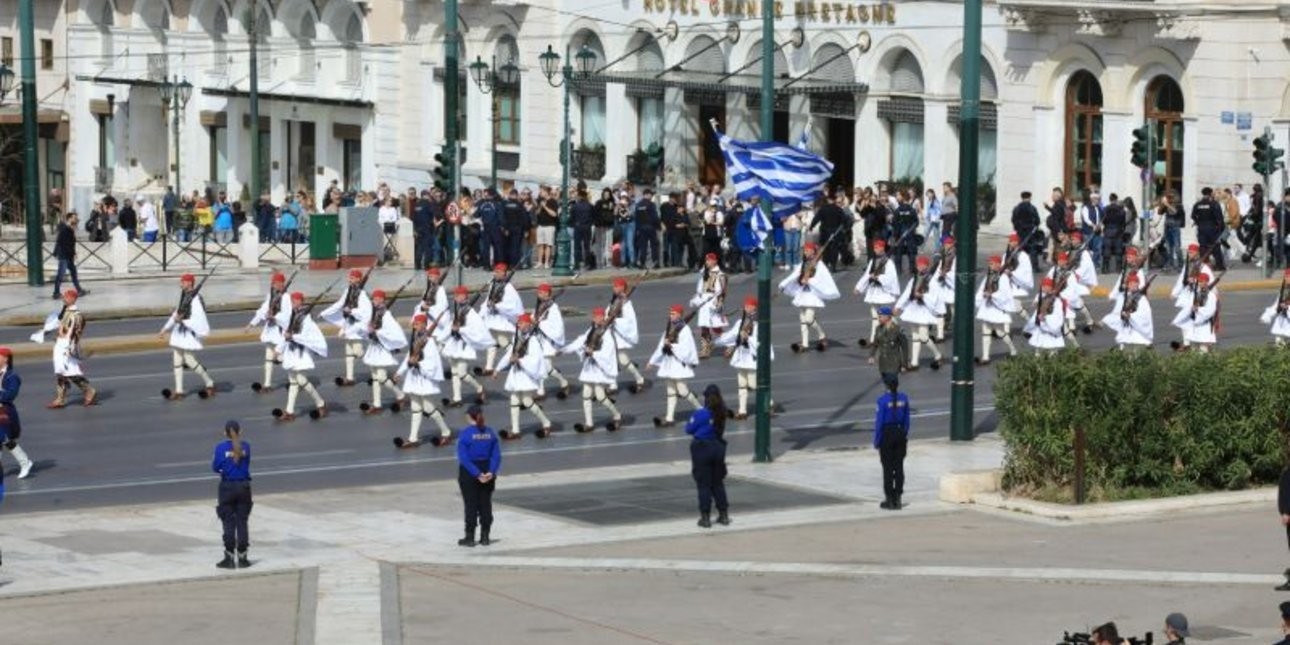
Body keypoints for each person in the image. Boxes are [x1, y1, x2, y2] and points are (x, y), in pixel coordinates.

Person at [393, 313, 454, 449]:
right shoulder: (415, 339)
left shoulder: (430, 342)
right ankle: (413, 438)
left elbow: (432, 362)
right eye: (414, 323)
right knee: (415, 408)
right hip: (414, 379)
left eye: (418, 323)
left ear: (424, 325)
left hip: (424, 378)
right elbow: (409, 357)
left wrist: (419, 364)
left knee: (428, 408)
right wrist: (399, 372)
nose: (415, 325)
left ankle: (446, 432)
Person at [561, 307, 623, 432]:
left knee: (600, 396)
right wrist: (564, 350)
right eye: (595, 316)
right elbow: (580, 341)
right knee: (586, 395)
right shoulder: (591, 330)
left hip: (599, 367)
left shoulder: (607, 334)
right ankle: (589, 423)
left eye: (599, 316)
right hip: (590, 367)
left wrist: (593, 353)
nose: (597, 318)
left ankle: (617, 415)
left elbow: (607, 353)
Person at [493, 313, 553, 440]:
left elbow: (535, 359)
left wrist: (519, 360)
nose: (519, 325)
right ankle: (515, 431)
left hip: (526, 374)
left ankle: (546, 422)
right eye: (519, 323)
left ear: (527, 324)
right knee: (514, 400)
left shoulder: (533, 340)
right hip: (517, 374)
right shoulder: (518, 338)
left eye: (521, 322)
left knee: (526, 401)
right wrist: (498, 368)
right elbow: (510, 354)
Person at [159, 273, 217, 400]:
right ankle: (179, 391)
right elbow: (177, 313)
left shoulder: (195, 299)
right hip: (179, 333)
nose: (181, 284)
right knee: (177, 361)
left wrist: (183, 321)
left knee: (190, 361)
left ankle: (209, 382)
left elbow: (198, 318)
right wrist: (165, 328)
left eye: (183, 282)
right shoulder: (184, 295)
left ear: (190, 283)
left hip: (188, 333)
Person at [272, 292, 330, 422]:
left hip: (300, 352)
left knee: (300, 380)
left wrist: (293, 337)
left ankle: (321, 403)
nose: (293, 303)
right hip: (291, 352)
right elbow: (286, 334)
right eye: (292, 301)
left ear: (301, 302)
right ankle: (290, 411)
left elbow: (305, 337)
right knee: (293, 381)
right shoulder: (292, 316)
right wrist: (278, 349)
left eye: (295, 301)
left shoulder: (306, 319)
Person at [779, 241, 841, 353]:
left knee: (809, 319)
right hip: (803, 293)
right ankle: (805, 344)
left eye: (808, 250)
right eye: (805, 250)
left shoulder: (819, 265)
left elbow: (822, 279)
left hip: (813, 294)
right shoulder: (803, 263)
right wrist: (784, 284)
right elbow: (794, 275)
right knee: (802, 320)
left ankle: (822, 335)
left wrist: (809, 280)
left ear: (813, 251)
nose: (806, 252)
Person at [435, 285, 492, 407]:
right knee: (455, 372)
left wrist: (460, 329)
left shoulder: (470, 313)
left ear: (465, 297)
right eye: (456, 296)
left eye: (460, 296)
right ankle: (457, 399)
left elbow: (476, 329)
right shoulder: (458, 311)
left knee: (461, 373)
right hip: (455, 345)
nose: (458, 298)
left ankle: (480, 388)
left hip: (465, 346)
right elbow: (451, 325)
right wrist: (441, 337)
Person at [648, 304, 702, 428]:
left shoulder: (685, 329)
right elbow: (661, 345)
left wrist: (671, 346)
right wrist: (652, 361)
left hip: (679, 364)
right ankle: (669, 418)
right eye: (670, 313)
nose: (671, 316)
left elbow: (686, 349)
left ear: (679, 314)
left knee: (683, 391)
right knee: (671, 391)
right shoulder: (669, 328)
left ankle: (701, 409)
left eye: (673, 314)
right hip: (669, 364)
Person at [456, 405, 500, 547]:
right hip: (487, 469)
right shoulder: (490, 432)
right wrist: (490, 472)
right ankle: (485, 536)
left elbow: (464, 458)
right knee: (485, 504)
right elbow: (496, 455)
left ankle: (469, 537)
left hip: (470, 472)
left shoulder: (466, 434)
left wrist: (476, 474)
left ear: (469, 416)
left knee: (471, 505)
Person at [320, 269, 373, 387]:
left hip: (357, 326)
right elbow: (339, 304)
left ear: (359, 280)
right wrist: (325, 312)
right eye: (350, 278)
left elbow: (366, 311)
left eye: (353, 278)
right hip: (348, 324)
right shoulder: (348, 291)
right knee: (349, 353)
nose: (350, 280)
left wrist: (352, 311)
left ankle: (373, 359)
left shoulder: (362, 294)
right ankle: (350, 378)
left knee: (358, 352)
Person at [686, 384, 730, 528]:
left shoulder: (701, 413)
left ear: (705, 398)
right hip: (718, 448)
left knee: (704, 484)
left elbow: (689, 429)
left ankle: (705, 518)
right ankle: (723, 515)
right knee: (717, 482)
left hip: (702, 448)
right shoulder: (722, 413)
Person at [359, 289, 408, 415]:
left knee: (381, 377)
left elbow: (391, 331)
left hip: (382, 348)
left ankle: (400, 395)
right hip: (374, 348)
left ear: (382, 300)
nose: (373, 301)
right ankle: (377, 405)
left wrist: (377, 331)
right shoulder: (374, 313)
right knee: (375, 378)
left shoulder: (386, 315)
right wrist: (368, 329)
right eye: (373, 299)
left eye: (376, 299)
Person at [212, 420, 253, 569]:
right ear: (240, 431)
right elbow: (246, 461)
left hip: (227, 487)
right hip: (243, 487)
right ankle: (243, 557)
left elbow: (215, 467)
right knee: (242, 521)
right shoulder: (246, 447)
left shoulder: (220, 447)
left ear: (225, 433)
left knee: (228, 521)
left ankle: (229, 558)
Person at [47, 290, 98, 408]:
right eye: (64, 297)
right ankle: (60, 398)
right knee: (60, 372)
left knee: (70, 372)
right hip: (60, 344)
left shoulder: (77, 315)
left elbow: (75, 334)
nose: (63, 299)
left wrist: (70, 347)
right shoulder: (66, 311)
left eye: (66, 297)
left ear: (73, 298)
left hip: (67, 345)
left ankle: (89, 390)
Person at [894, 256, 943, 370]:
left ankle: (937, 354)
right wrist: (898, 306)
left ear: (927, 266)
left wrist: (922, 296)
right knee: (915, 336)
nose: (920, 267)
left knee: (924, 337)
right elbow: (907, 293)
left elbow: (934, 297)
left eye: (923, 265)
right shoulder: (914, 279)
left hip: (924, 310)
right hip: (913, 309)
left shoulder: (931, 280)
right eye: (919, 265)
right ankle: (915, 362)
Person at [248, 272, 293, 393]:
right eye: (274, 283)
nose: (276, 285)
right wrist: (252, 323)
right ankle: (267, 385)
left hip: (280, 331)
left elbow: (287, 315)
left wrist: (275, 317)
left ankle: (294, 381)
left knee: (282, 357)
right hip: (270, 330)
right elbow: (263, 309)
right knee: (268, 358)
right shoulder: (271, 295)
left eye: (279, 283)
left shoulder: (286, 297)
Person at [477, 263, 523, 377]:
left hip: (502, 320)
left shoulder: (508, 288)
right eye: (495, 271)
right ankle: (489, 367)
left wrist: (497, 305)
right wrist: (481, 313)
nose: (496, 274)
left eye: (498, 272)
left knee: (502, 340)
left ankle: (514, 357)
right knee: (491, 342)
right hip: (492, 318)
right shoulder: (493, 284)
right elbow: (488, 300)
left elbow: (511, 305)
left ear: (504, 274)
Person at [873, 379, 911, 510]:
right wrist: (903, 434)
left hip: (887, 434)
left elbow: (879, 423)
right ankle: (898, 498)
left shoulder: (882, 401)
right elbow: (907, 420)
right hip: (900, 432)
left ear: (886, 386)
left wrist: (877, 440)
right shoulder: (904, 399)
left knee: (888, 468)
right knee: (899, 466)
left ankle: (889, 499)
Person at [855, 240, 901, 347]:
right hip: (874, 291)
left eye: (877, 248)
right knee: (875, 317)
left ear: (882, 248)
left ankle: (895, 335)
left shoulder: (889, 262)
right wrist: (859, 287)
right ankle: (873, 339)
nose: (875, 250)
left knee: (888, 317)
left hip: (884, 292)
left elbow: (891, 278)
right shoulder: (873, 261)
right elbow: (867, 275)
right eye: (874, 247)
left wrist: (878, 277)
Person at [606, 278, 648, 394]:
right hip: (611, 335)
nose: (613, 288)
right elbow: (609, 312)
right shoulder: (615, 300)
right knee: (612, 360)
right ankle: (614, 383)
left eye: (616, 286)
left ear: (622, 288)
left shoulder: (626, 304)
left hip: (618, 335)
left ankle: (638, 378)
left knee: (622, 360)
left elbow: (629, 321)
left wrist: (615, 322)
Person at [974, 255, 1018, 364]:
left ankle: (1013, 350)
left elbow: (1005, 293)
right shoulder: (988, 276)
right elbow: (982, 289)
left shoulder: (1003, 277)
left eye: (992, 263)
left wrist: (992, 295)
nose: (990, 265)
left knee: (1000, 332)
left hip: (996, 307)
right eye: (990, 264)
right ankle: (985, 357)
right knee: (986, 332)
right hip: (987, 307)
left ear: (998, 265)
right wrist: (982, 296)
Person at [0, 347, 34, 479]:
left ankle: (25, 462)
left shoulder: (12, 376)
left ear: (6, 359)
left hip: (5, 411)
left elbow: (10, 395)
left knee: (4, 438)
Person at [1102, 272, 1154, 350]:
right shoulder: (1126, 297)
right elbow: (1120, 312)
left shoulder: (1142, 299)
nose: (1134, 285)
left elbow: (1144, 316)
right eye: (1131, 283)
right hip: (1127, 331)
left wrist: (1130, 316)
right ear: (1128, 285)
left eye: (1136, 283)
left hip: (1137, 334)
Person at [691, 253, 728, 358]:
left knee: (716, 327)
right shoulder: (703, 273)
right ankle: (705, 348)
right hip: (704, 303)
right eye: (706, 260)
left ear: (715, 261)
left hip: (713, 302)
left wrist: (719, 302)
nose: (707, 262)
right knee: (704, 326)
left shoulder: (720, 274)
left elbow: (722, 291)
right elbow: (700, 288)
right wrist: (696, 298)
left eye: (709, 260)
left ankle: (729, 343)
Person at [1171, 272, 1219, 353]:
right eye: (1199, 281)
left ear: (1206, 282)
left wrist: (1198, 309)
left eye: (1201, 281)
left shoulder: (1211, 296)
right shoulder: (1197, 294)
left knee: (1203, 348)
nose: (1199, 283)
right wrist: (1178, 319)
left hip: (1205, 324)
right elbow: (1188, 307)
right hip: (1195, 324)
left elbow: (1211, 311)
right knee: (1194, 346)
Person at [868, 307, 909, 391]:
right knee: (886, 384)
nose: (878, 318)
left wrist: (904, 365)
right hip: (883, 363)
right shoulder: (878, 328)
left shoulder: (898, 330)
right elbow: (875, 344)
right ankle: (891, 397)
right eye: (878, 316)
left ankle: (893, 399)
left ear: (888, 317)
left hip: (894, 362)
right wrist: (871, 356)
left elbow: (905, 348)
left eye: (880, 316)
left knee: (892, 383)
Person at [51, 212, 88, 300]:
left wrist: (73, 253)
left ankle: (79, 290)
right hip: (64, 256)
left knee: (74, 274)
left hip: (68, 255)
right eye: (74, 218)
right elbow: (62, 243)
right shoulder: (64, 229)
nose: (76, 220)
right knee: (60, 275)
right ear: (69, 219)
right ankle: (56, 293)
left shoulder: (69, 229)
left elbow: (70, 243)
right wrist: (57, 253)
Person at [1192, 187, 1226, 271]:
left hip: (1202, 228)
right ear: (1210, 193)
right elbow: (1219, 218)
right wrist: (1221, 229)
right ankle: (1219, 265)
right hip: (1212, 228)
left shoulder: (1198, 204)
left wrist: (1198, 222)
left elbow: (1193, 215)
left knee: (1203, 247)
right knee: (1215, 246)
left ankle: (1204, 265)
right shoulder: (1214, 204)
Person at [1262, 272, 1290, 346]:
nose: (1287, 279)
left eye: (1289, 277)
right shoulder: (1284, 291)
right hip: (1282, 318)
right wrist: (1268, 314)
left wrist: (1287, 307)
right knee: (1279, 338)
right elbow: (1277, 304)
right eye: (1286, 277)